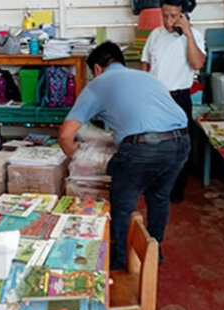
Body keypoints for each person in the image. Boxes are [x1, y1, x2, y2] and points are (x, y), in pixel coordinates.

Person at [58, 41, 190, 270]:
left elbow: (65, 135)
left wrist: (76, 158)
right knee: (159, 197)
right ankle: (154, 251)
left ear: (97, 69)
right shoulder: (146, 77)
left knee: (122, 203)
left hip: (143, 148)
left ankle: (120, 260)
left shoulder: (98, 83)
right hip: (182, 142)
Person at [141, 0, 206, 203]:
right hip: (155, 96)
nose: (168, 21)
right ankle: (153, 187)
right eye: (165, 15)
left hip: (179, 98)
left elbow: (197, 64)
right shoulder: (155, 35)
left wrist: (186, 33)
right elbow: (146, 63)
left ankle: (176, 191)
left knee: (179, 146)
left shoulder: (193, 36)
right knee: (152, 143)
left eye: (174, 16)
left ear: (183, 16)